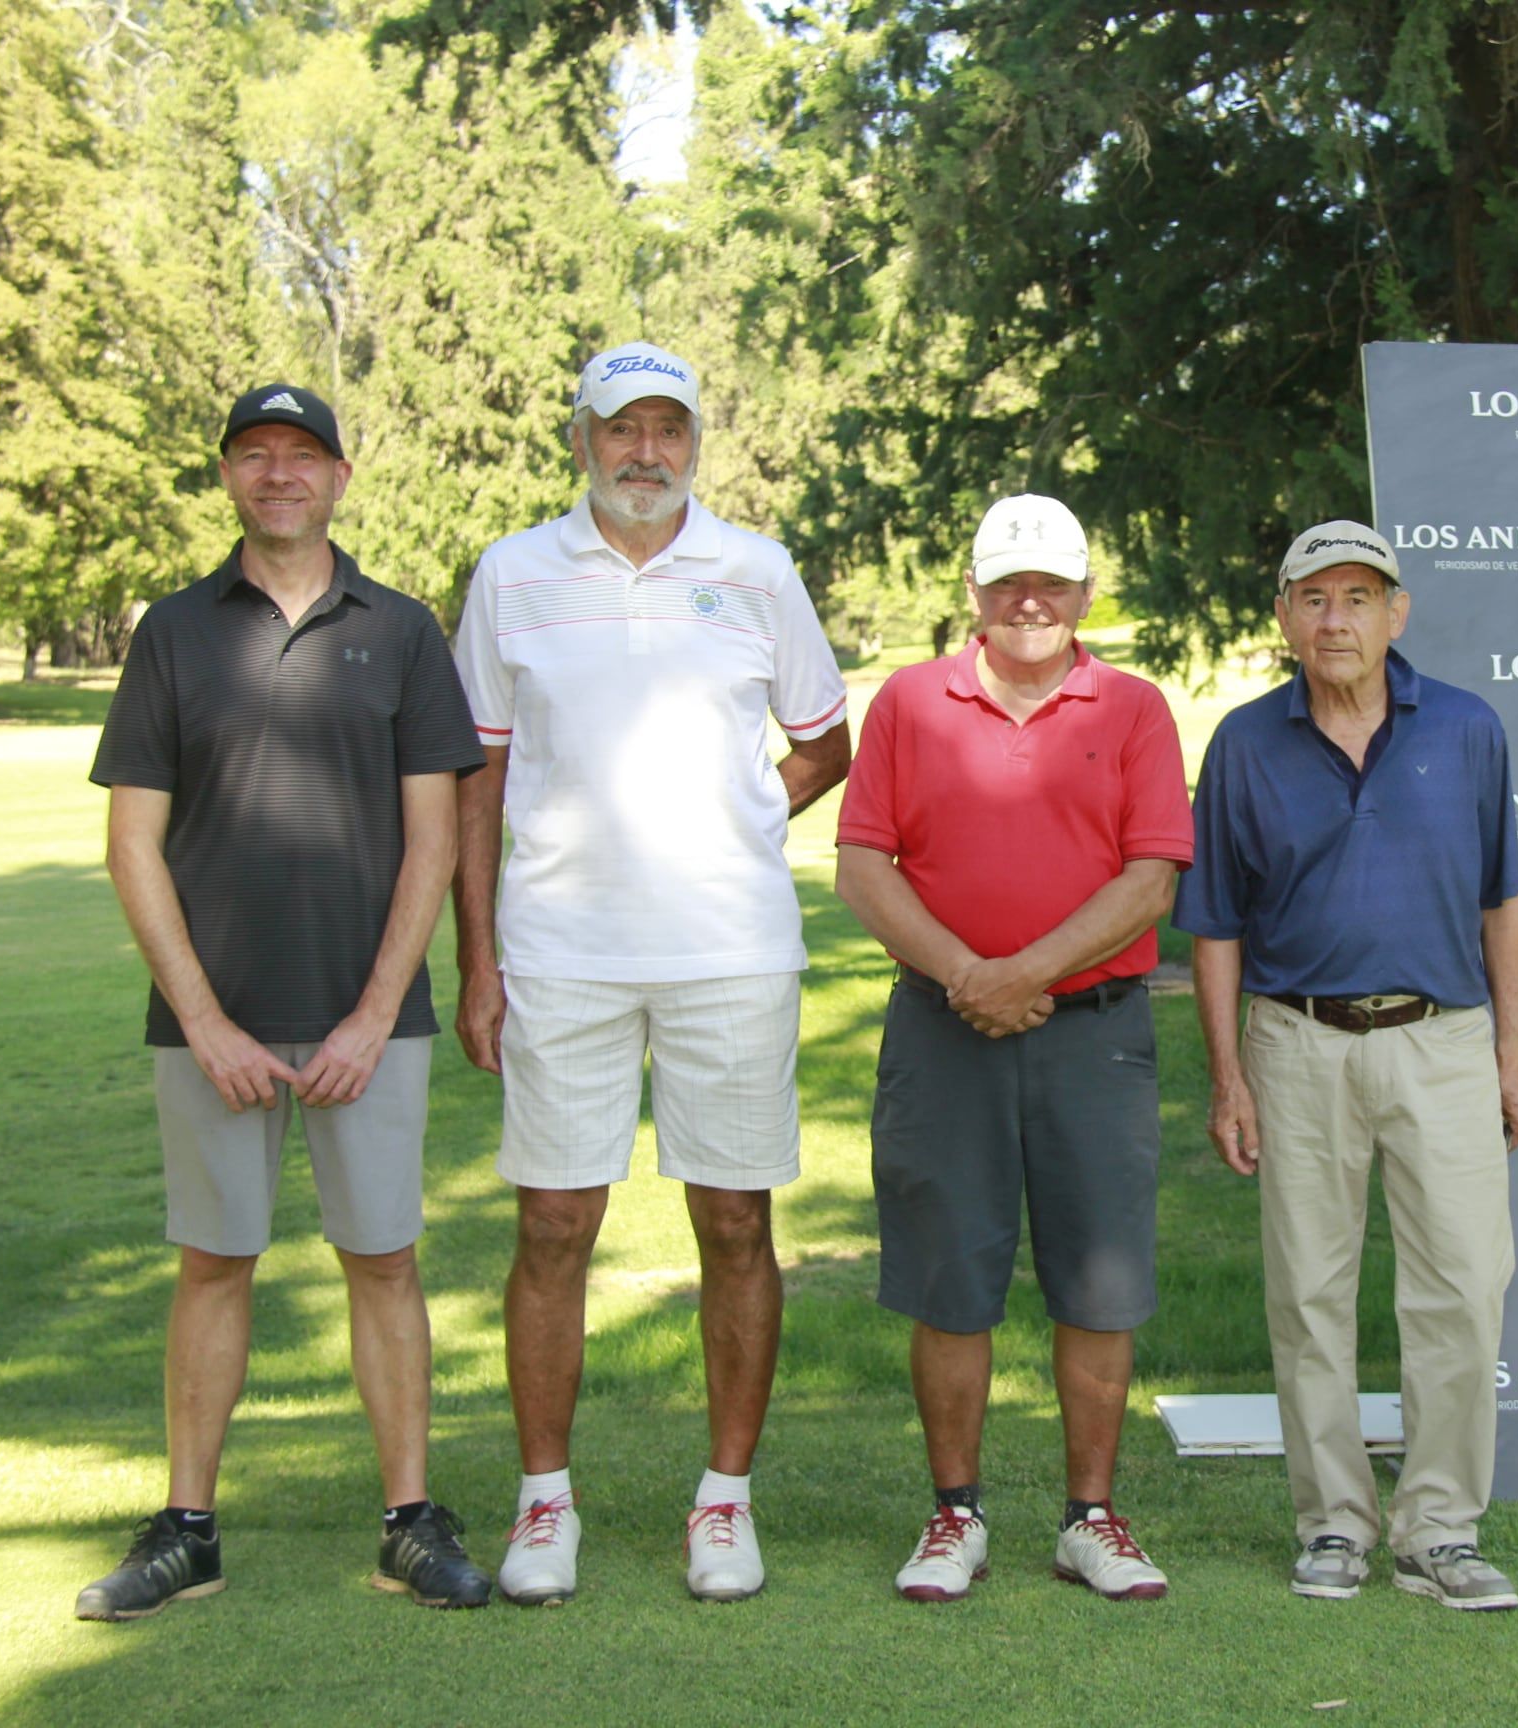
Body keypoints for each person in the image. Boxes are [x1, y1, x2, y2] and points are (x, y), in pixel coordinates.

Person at [78, 383, 492, 1620]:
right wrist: (204, 1021)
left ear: (340, 476)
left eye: (301, 455)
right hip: (215, 1025)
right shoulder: (173, 632)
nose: (278, 474)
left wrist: (375, 1014)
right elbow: (131, 845)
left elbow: (439, 841)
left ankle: (412, 1520)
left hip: (371, 1020)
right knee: (214, 1263)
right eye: (254, 454)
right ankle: (188, 1529)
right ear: (227, 478)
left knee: (384, 1261)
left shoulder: (406, 630)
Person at [449, 342, 850, 1606]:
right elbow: (481, 773)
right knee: (554, 1222)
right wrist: (475, 957)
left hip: (729, 951)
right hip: (559, 951)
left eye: (669, 430)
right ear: (582, 438)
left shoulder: (756, 570)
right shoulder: (513, 575)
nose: (646, 453)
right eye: (623, 429)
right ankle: (544, 1502)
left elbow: (823, 742)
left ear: (695, 443)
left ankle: (723, 1504)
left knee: (734, 1222)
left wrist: (735, 819)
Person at [1173, 519, 1518, 1611]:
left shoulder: (1467, 729)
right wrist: (1229, 1078)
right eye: (1315, 598)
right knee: (1311, 1295)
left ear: (1398, 612)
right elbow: (1217, 927)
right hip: (1297, 1044)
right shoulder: (1243, 744)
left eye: (1359, 597)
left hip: (1444, 1041)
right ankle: (1333, 1522)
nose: (1338, 619)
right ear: (1285, 619)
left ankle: (1441, 1532)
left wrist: (1513, 1059)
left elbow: (1504, 902)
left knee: (1465, 1291)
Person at [832, 494, 1192, 1603]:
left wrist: (1020, 974)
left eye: (1050, 584)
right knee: (951, 1281)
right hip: (944, 1034)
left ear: (1085, 594)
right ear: (975, 595)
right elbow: (863, 865)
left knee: (1100, 1281)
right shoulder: (909, 700)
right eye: (1006, 584)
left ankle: (1091, 1517)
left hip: (1093, 1036)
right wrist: (966, 977)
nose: (1028, 602)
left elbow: (1151, 878)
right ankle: (956, 1516)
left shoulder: (1132, 707)